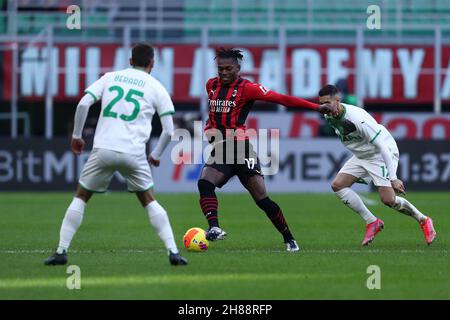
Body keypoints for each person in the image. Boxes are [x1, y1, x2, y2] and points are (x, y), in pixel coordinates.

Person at [44, 43, 187, 266]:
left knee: (81, 196)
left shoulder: (110, 77)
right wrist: (157, 154)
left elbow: (83, 104)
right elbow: (169, 130)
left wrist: (76, 135)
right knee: (149, 200)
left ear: (130, 61)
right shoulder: (157, 87)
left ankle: (61, 252)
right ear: (152, 63)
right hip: (134, 153)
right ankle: (173, 252)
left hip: (103, 149)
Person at [198, 48, 322, 252]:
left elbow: (282, 99)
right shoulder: (211, 85)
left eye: (228, 68)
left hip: (241, 149)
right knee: (204, 182)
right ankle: (214, 228)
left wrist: (315, 107)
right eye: (220, 69)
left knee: (262, 200)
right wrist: (208, 127)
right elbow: (214, 116)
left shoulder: (248, 88)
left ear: (238, 68)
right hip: (222, 148)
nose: (224, 72)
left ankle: (288, 237)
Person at [318, 84, 436, 246]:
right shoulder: (328, 115)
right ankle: (372, 222)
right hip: (362, 155)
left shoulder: (357, 118)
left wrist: (393, 178)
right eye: (321, 103)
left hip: (379, 154)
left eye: (327, 103)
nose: (324, 107)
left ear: (338, 100)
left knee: (388, 200)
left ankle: (423, 220)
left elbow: (382, 146)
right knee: (338, 185)